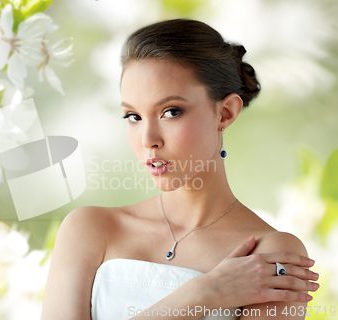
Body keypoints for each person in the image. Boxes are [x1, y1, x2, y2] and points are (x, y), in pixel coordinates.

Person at [40, 18, 320, 320]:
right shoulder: (89, 229)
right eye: (133, 116)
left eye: (171, 112)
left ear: (225, 113)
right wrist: (202, 295)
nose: (149, 140)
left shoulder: (269, 254)